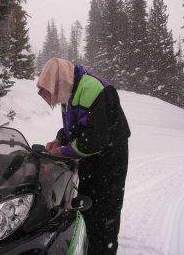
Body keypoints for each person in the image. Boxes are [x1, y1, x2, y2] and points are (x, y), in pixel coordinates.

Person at [37, 57, 131, 254]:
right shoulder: (69, 91)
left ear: (59, 82)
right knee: (85, 203)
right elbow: (77, 127)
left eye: (50, 93)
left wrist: (63, 152)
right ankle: (88, 246)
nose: (52, 99)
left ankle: (104, 249)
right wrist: (60, 139)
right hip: (91, 155)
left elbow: (94, 138)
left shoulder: (94, 89)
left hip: (111, 157)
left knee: (105, 211)